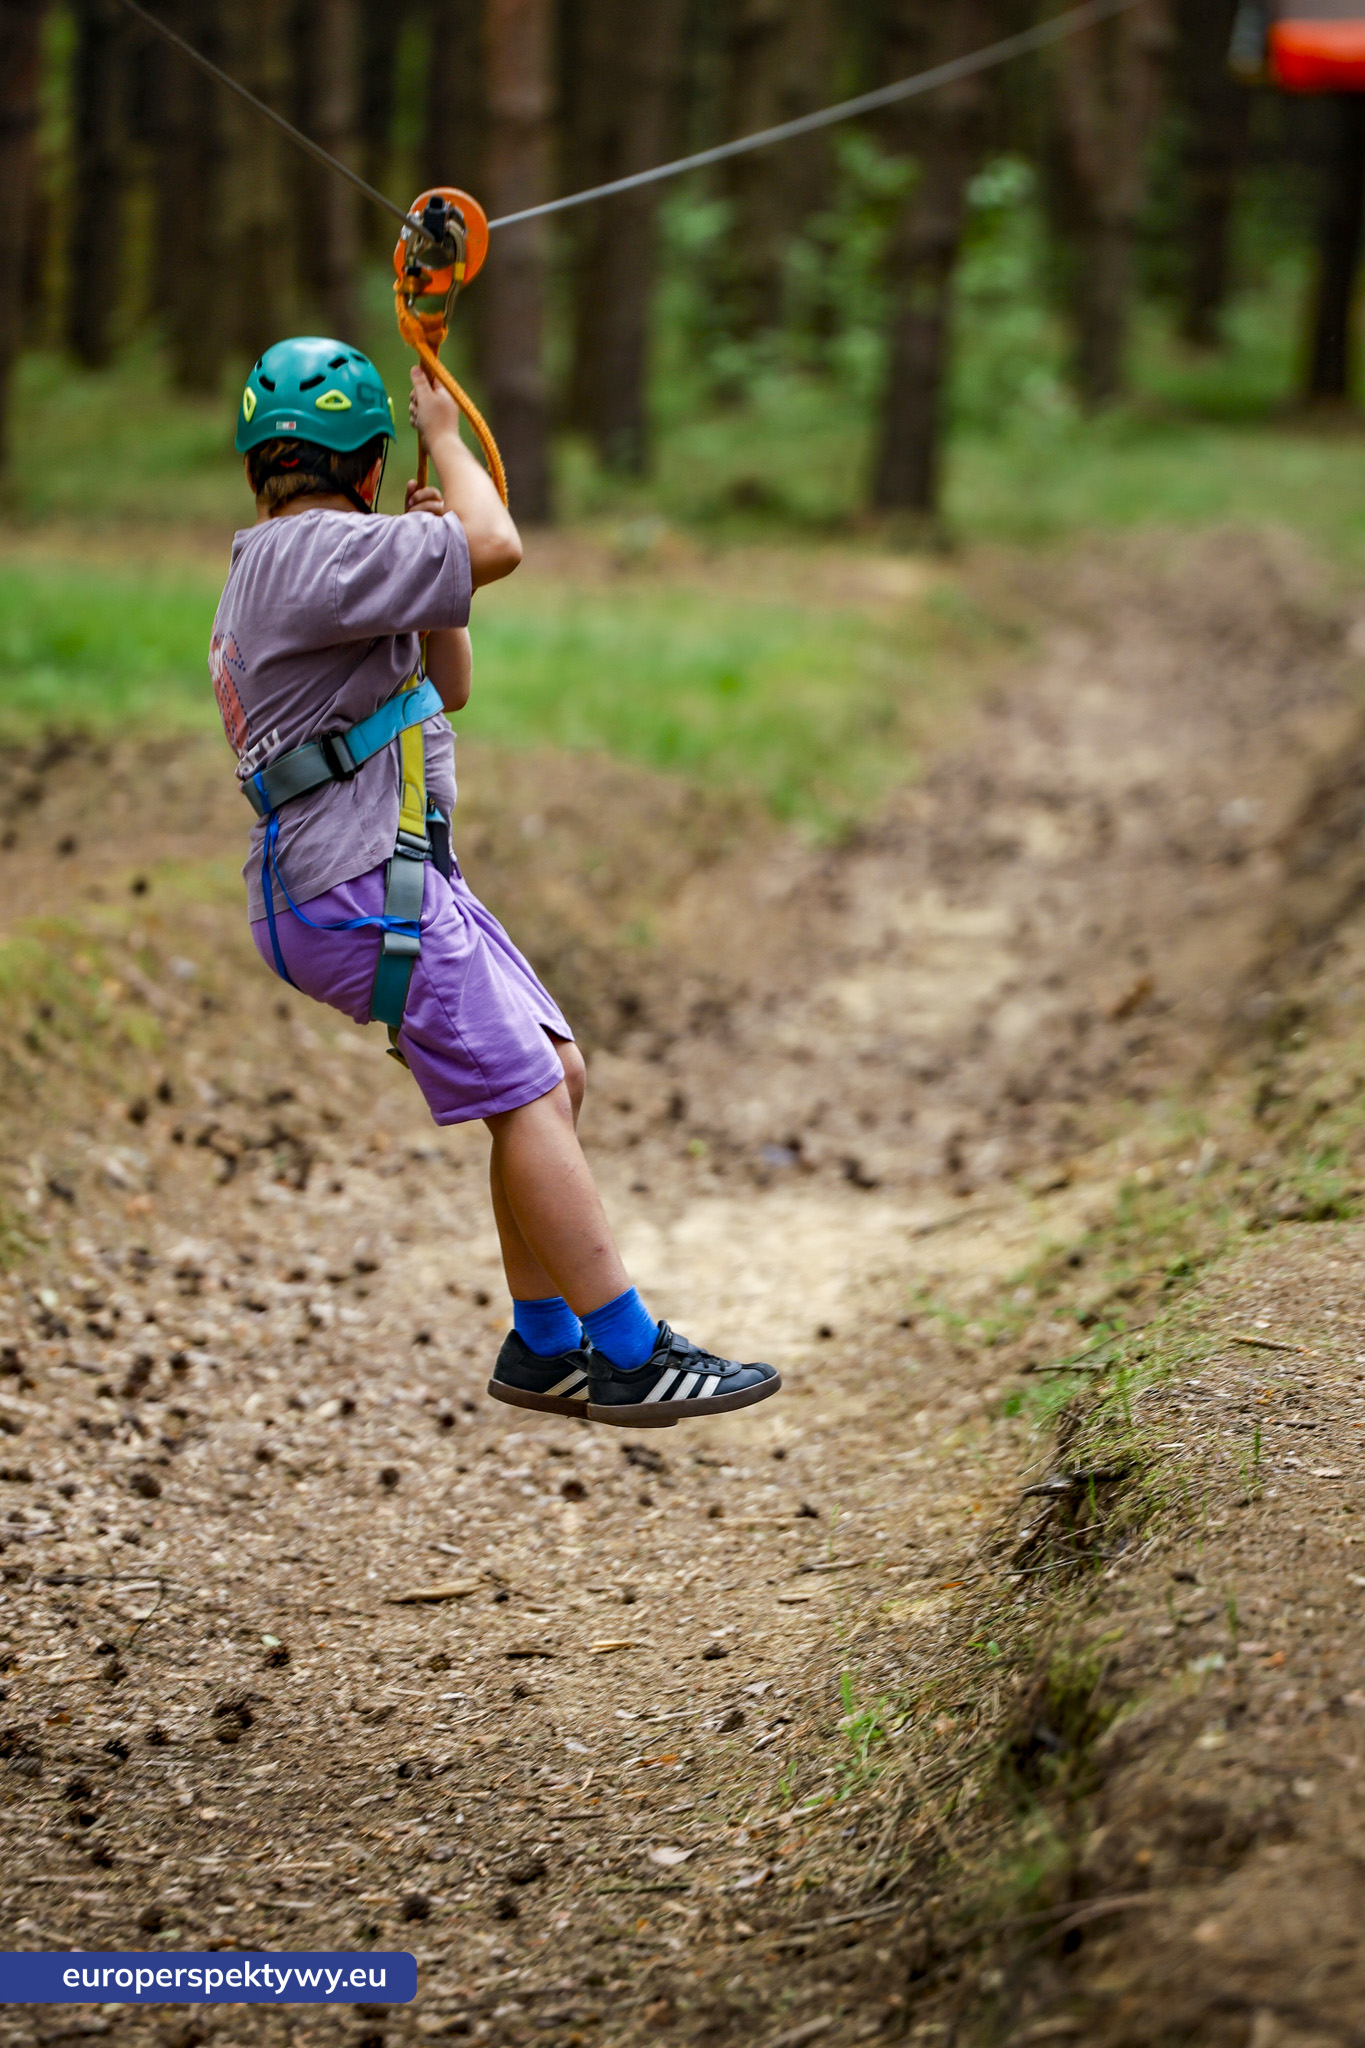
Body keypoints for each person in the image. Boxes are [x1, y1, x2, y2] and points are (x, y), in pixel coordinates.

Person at [210, 335, 780, 1430]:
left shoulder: (312, 559)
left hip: (393, 872)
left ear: (257, 464)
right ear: (365, 461)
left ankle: (542, 1340)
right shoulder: (317, 555)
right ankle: (629, 1349)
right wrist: (450, 444)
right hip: (358, 882)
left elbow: (449, 679)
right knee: (521, 1094)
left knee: (555, 1075)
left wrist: (430, 552)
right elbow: (502, 543)